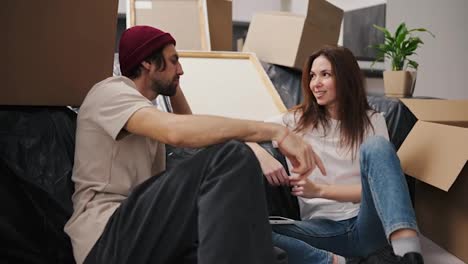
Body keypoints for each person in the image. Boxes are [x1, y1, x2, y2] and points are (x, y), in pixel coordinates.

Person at [63, 25, 325, 264]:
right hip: (106, 236)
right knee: (232, 157)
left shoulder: (143, 106)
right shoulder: (112, 92)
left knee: (266, 255)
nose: (181, 70)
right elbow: (177, 132)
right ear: (147, 62)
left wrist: (254, 147)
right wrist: (275, 132)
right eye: (174, 60)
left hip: (143, 236)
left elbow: (190, 125)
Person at [248, 46, 424, 264]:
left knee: (378, 146)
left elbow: (380, 189)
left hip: (367, 223)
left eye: (325, 75)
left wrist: (321, 190)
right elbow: (239, 130)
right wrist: (259, 153)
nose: (316, 84)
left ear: (345, 78)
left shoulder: (373, 121)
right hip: (321, 231)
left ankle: (409, 255)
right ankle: (335, 262)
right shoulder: (295, 121)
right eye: (312, 76)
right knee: (251, 229)